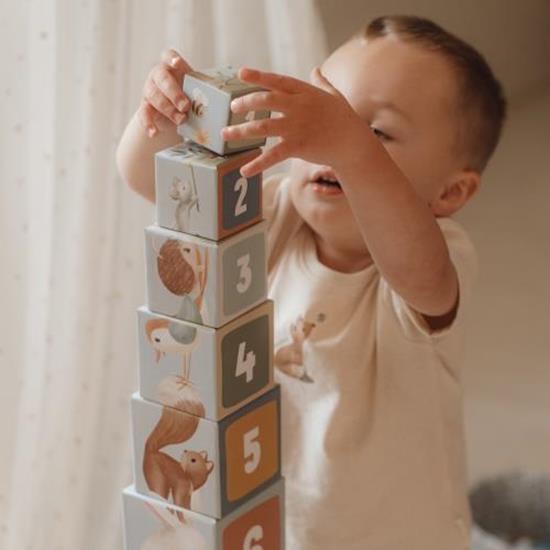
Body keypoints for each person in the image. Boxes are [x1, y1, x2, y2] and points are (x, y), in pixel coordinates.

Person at [116, 14, 506, 550]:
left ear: (449, 195)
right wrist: (162, 117)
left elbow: (422, 273)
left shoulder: (437, 255)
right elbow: (147, 179)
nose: (333, 141)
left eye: (376, 133)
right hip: (274, 521)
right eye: (324, 116)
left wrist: (350, 146)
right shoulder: (274, 211)